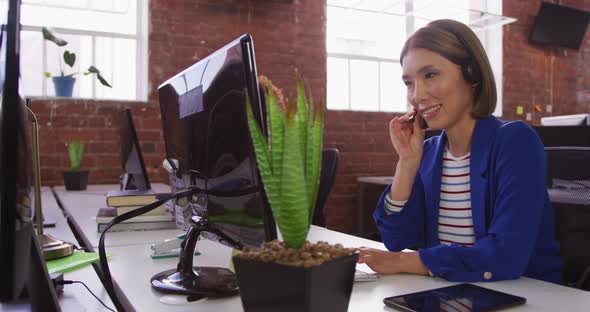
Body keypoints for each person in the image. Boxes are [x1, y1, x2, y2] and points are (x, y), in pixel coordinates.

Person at [357, 19, 562, 284]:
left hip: (527, 296)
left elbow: (506, 256)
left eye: (430, 75)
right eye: (409, 82)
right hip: (456, 293)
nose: (417, 95)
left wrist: (409, 261)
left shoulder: (514, 142)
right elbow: (397, 239)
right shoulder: (429, 152)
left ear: (471, 74)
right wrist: (406, 164)